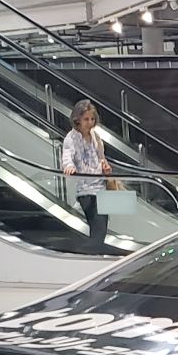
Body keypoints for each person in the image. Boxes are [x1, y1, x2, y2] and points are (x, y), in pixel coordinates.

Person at [61, 99, 114, 253]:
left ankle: (92, 255)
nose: (90, 123)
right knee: (98, 227)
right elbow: (67, 156)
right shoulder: (71, 138)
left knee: (100, 228)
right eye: (86, 119)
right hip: (85, 190)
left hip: (101, 187)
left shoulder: (95, 136)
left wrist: (105, 167)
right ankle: (90, 255)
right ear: (77, 119)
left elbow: (101, 158)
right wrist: (69, 166)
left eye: (92, 119)